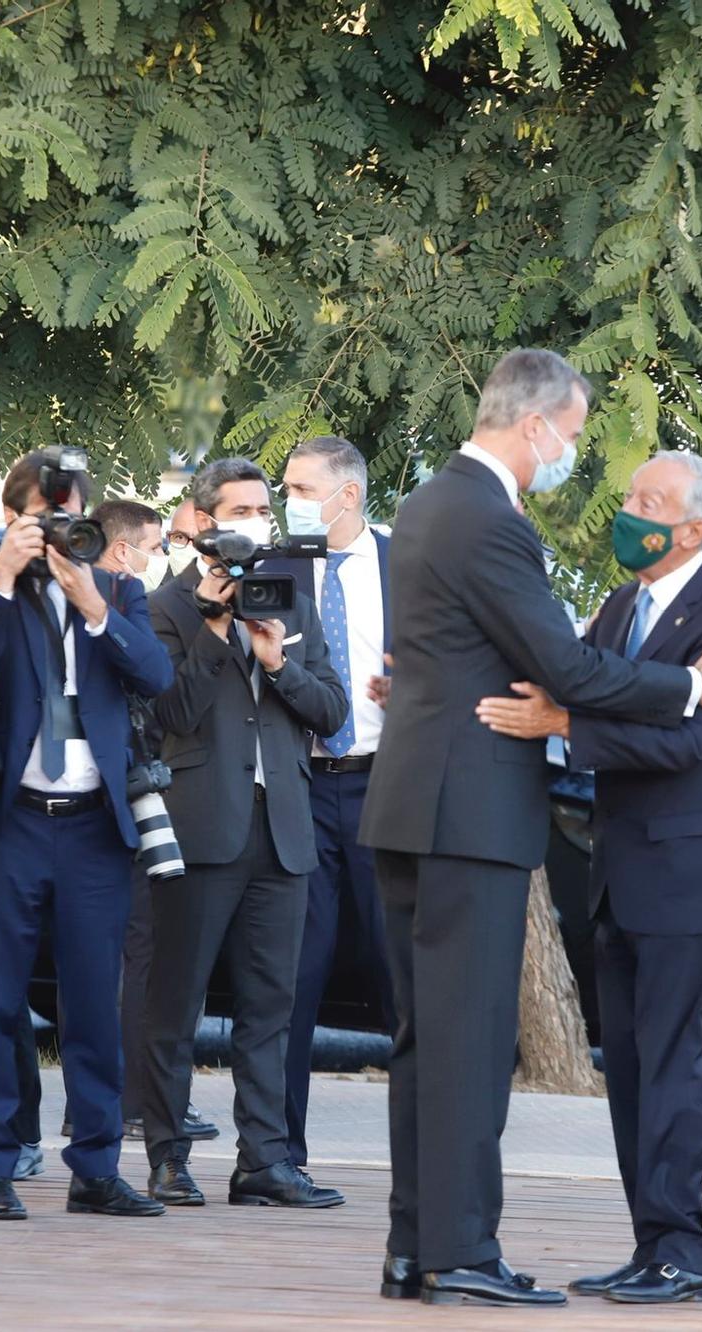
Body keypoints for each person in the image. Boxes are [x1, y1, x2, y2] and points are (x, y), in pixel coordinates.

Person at [357, 348, 702, 1307]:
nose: (572, 456)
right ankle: (458, 1254)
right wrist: (691, 686)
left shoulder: (422, 505)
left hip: (422, 804)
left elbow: (460, 657)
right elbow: (568, 673)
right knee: (463, 1039)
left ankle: (418, 1246)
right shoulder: (492, 521)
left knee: (427, 1039)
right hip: (469, 814)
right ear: (534, 424)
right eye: (575, 437)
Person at [475, 451, 702, 1306]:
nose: (629, 508)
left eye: (651, 500)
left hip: (690, 882)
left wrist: (566, 721)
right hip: (624, 880)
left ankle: (685, 1254)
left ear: (694, 530)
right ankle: (650, 1247)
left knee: (672, 1067)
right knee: (634, 1071)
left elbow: (679, 744)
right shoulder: (621, 605)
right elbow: (587, 679)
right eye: (633, 493)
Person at [0, 451, 173, 1223]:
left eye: (71, 521)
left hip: (92, 830)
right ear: (13, 521)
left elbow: (155, 676)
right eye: (43, 522)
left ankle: (98, 1167)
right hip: (8, 825)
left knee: (92, 1006)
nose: (59, 536)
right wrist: (5, 577)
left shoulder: (116, 588)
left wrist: (96, 607)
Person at [140, 459, 349, 1209]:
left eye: (264, 507)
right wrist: (213, 625)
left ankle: (264, 1161)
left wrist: (276, 663)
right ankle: (167, 1154)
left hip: (285, 829)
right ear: (201, 521)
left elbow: (332, 710)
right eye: (240, 509)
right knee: (175, 1001)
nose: (257, 519)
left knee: (271, 1006)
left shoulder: (292, 598)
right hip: (201, 829)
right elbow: (170, 715)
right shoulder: (164, 606)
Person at [71, 499, 220, 1147]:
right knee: (138, 950)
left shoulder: (125, 599)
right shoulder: (123, 599)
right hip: (111, 793)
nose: (166, 557)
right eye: (159, 545)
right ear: (122, 549)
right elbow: (160, 691)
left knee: (130, 950)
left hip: (123, 791)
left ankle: (114, 1103)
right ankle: (127, 1102)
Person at [274, 436, 394, 1169]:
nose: (289, 500)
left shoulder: (409, 564)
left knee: (402, 973)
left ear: (346, 495)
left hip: (386, 785)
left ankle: (423, 1151)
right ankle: (279, 1152)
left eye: (300, 487)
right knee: (293, 976)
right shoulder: (275, 569)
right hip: (301, 786)